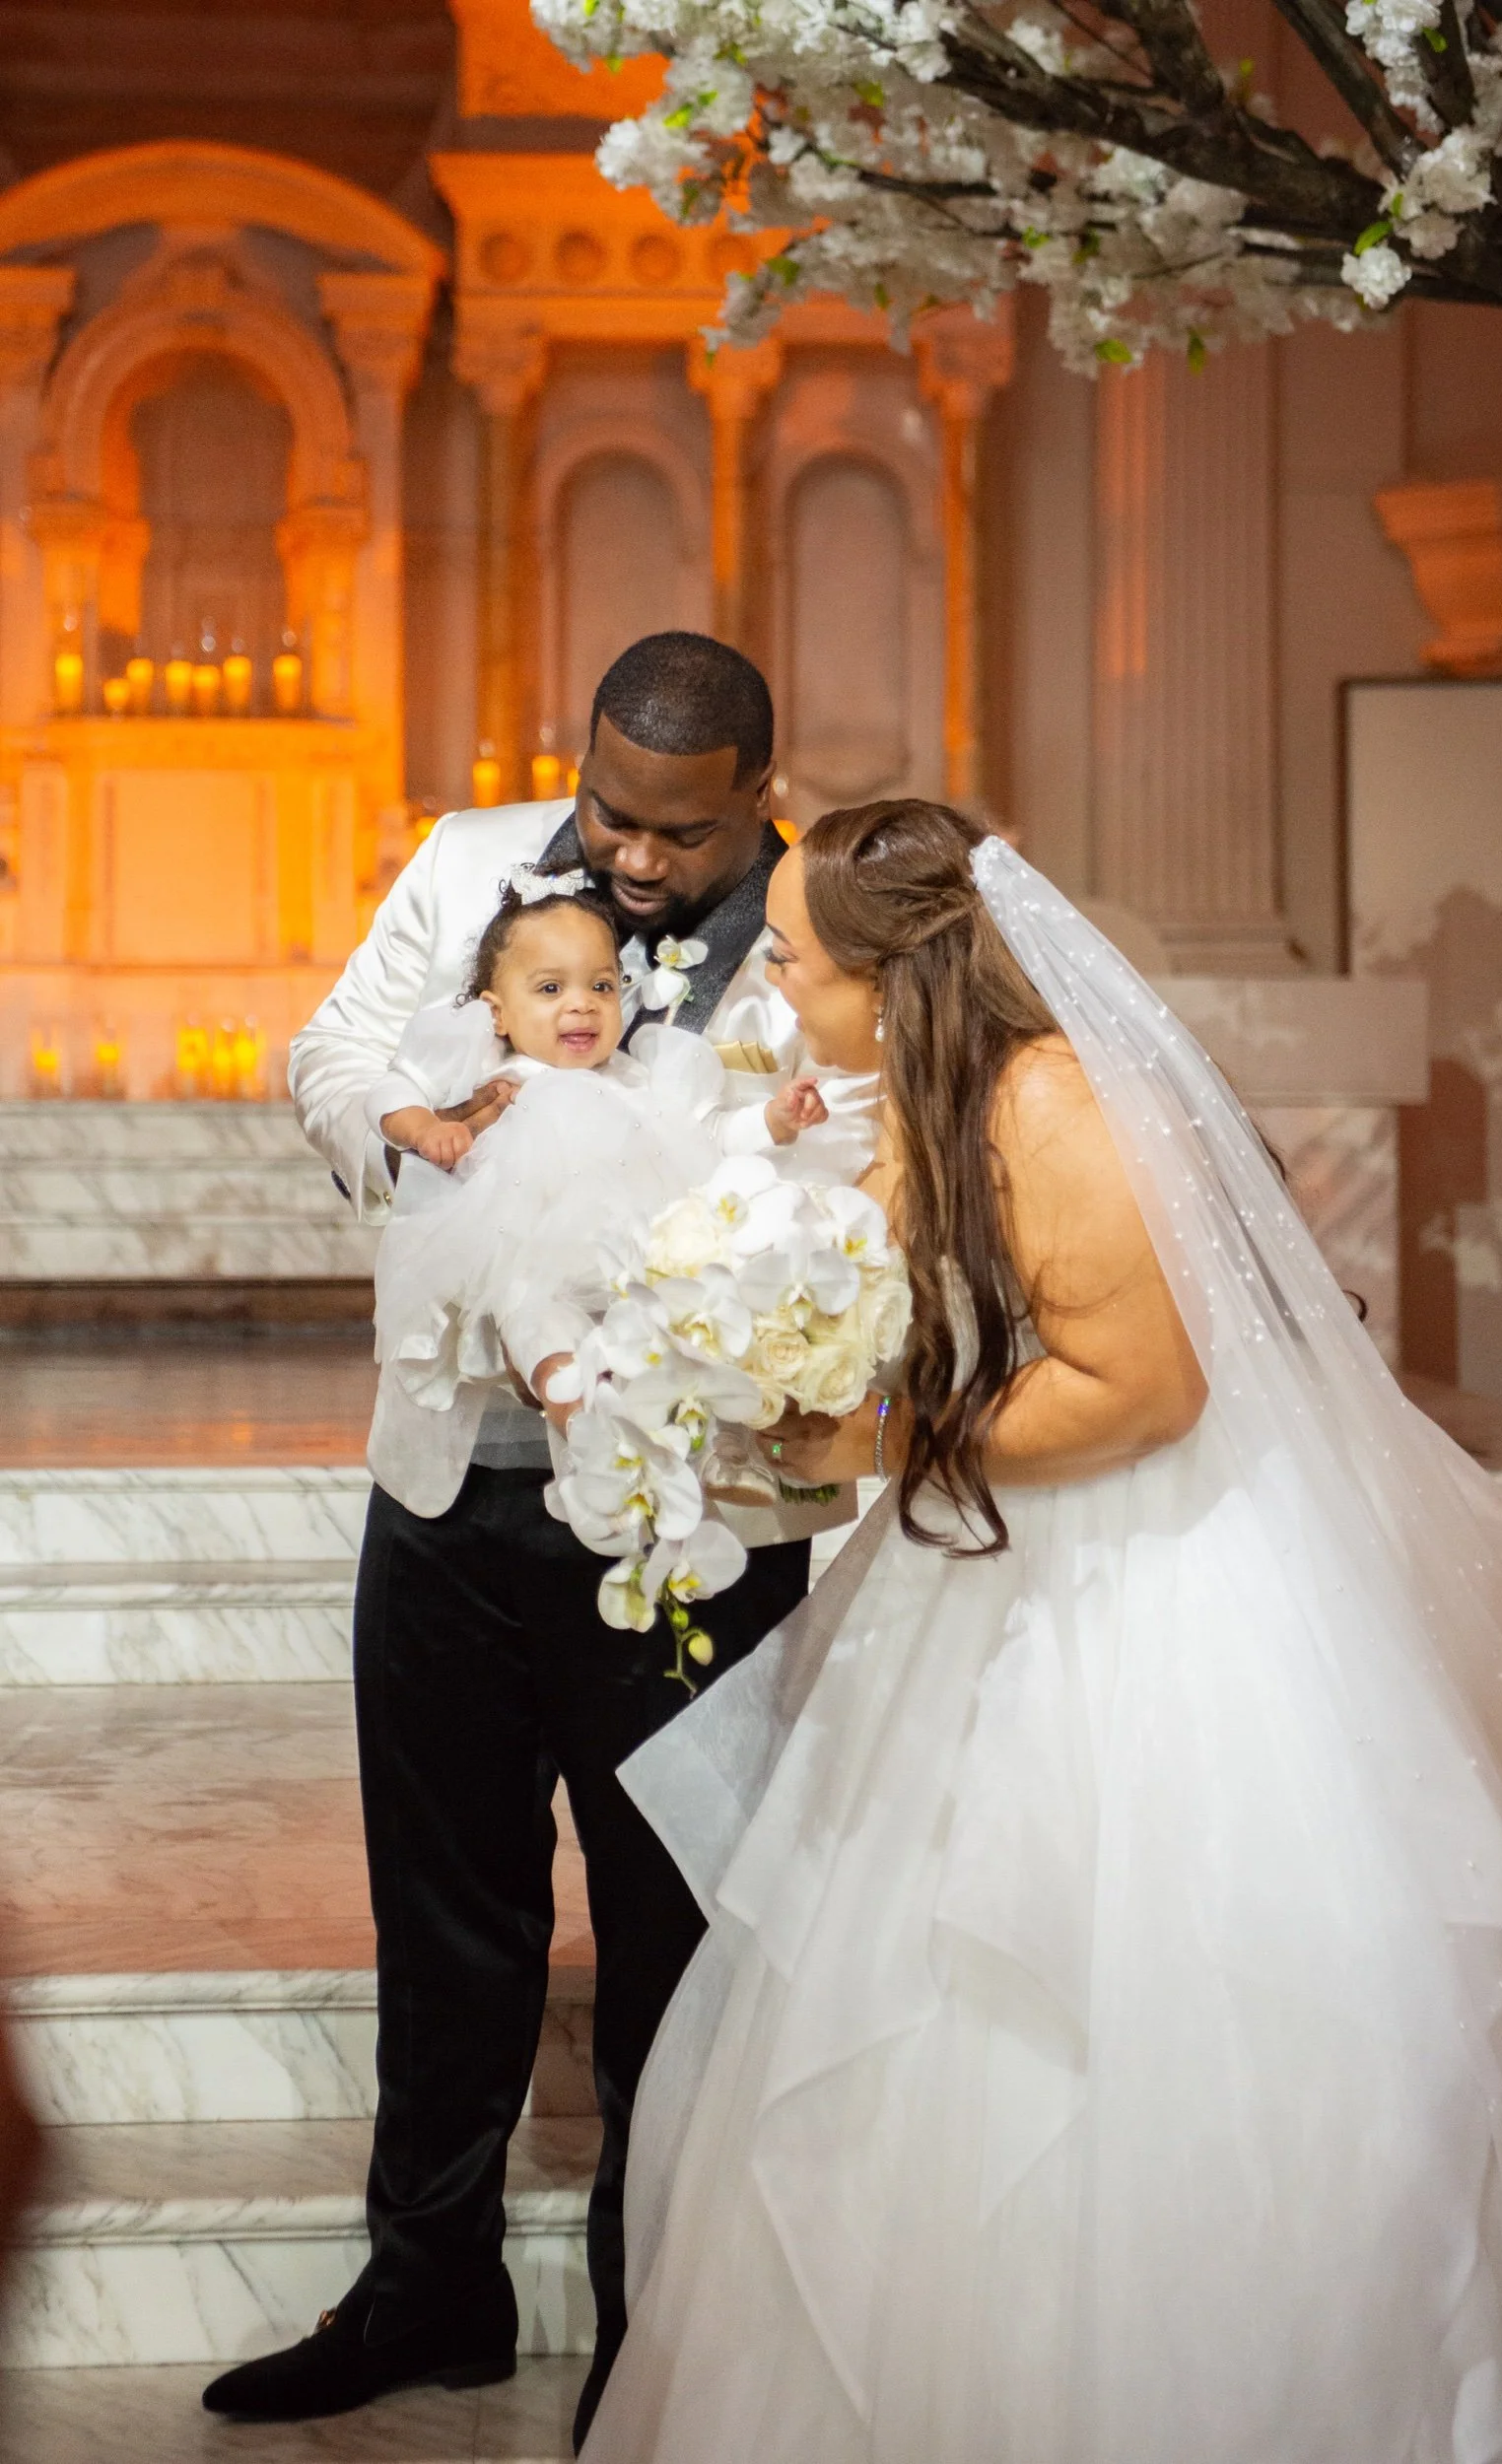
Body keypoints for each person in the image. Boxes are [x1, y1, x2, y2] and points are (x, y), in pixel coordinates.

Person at [576, 798, 1502, 2463]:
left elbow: (1140, 1390)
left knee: (1119, 2003)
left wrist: (875, 1440)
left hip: (1140, 1591)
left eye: (789, 953)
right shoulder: (924, 1093)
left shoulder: (1052, 1106)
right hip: (981, 1566)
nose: (771, 979)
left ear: (884, 969)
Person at [204, 635, 875, 2441]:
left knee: (673, 1927)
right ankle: (425, 2289)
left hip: (692, 1512)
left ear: (757, 788)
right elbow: (330, 1046)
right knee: (445, 1912)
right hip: (446, 1483)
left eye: (672, 831)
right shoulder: (462, 860)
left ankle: (654, 2335)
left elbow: (855, 1159)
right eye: (606, 812)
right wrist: (404, 1124)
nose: (628, 860)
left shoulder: (828, 931)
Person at [365, 866, 833, 1517]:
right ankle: (578, 1412)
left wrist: (776, 1121)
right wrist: (426, 1128)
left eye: (602, 986)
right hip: (530, 1253)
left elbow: (714, 1136)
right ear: (496, 1012)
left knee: (695, 1326)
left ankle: (717, 1451)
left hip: (637, 1264)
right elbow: (390, 1089)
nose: (581, 1004)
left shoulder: (642, 1079)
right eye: (550, 988)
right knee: (535, 1315)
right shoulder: (497, 1079)